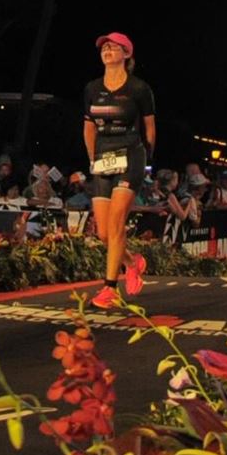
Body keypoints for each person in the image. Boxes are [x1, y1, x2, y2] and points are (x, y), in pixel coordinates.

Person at [82, 31, 156, 303]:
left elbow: (150, 128)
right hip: (103, 158)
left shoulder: (139, 89)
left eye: (114, 47)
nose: (107, 50)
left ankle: (110, 287)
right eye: (104, 47)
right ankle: (132, 262)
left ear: (126, 54)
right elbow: (89, 127)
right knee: (103, 232)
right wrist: (93, 158)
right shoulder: (92, 88)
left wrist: (146, 160)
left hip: (131, 156)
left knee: (116, 224)